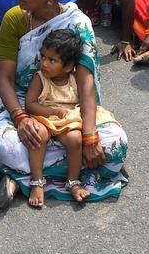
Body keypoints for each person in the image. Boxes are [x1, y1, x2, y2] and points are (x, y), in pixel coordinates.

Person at [0, 0, 127, 204]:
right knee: (5, 143)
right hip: (25, 104)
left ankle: (21, 177)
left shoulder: (77, 23)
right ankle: (79, 171)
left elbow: (85, 85)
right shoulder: (14, 19)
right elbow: (5, 80)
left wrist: (90, 136)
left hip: (71, 108)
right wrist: (20, 117)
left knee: (115, 142)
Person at [23, 28, 115, 207]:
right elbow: (30, 104)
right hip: (46, 117)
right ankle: (37, 181)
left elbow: (84, 101)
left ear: (67, 66)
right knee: (38, 135)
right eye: (43, 57)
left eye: (52, 60)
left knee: (75, 138)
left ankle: (73, 181)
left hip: (68, 121)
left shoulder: (74, 78)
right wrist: (52, 112)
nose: (44, 63)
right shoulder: (40, 78)